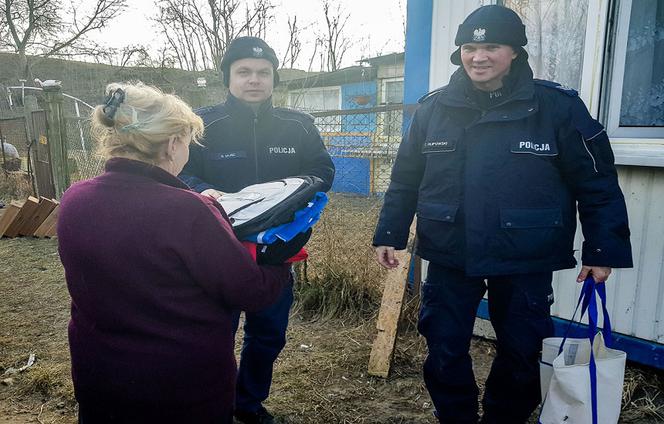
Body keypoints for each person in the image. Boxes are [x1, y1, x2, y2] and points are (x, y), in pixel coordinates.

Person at [373, 5, 633, 424]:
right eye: (470, 47)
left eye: (491, 46)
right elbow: (406, 179)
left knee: (522, 349)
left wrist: (602, 249)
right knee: (442, 345)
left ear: (515, 52)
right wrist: (390, 231)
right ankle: (455, 417)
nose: (478, 57)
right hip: (449, 249)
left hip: (524, 254)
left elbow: (597, 183)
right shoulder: (433, 109)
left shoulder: (557, 108)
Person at [57, 83, 291, 424]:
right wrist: (280, 257)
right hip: (181, 390)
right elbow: (250, 291)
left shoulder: (75, 199)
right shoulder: (189, 211)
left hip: (100, 379)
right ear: (171, 144)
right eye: (188, 143)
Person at [179, 36, 335, 424]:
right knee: (214, 335)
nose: (254, 80)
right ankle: (211, 404)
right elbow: (177, 170)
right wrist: (203, 190)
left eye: (263, 73)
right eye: (244, 71)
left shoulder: (297, 127)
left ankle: (247, 403)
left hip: (276, 252)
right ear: (227, 77)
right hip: (216, 251)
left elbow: (324, 172)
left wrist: (293, 190)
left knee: (268, 336)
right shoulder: (201, 124)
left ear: (274, 78)